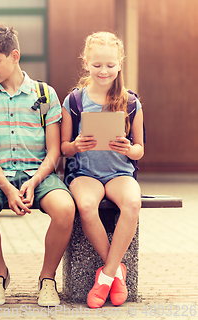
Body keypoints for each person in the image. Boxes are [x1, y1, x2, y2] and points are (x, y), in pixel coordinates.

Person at [0, 22, 76, 307]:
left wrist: (33, 181)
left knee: (65, 209)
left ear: (14, 56)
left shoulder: (44, 95)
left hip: (38, 173)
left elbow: (54, 152)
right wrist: (8, 189)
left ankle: (47, 279)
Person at [60, 31, 144, 309]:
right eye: (97, 65)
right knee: (85, 205)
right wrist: (77, 145)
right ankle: (117, 272)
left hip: (120, 172)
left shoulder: (131, 102)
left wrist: (127, 148)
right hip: (85, 174)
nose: (103, 71)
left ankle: (106, 274)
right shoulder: (74, 101)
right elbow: (63, 148)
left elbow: (140, 149)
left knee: (132, 203)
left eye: (110, 65)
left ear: (120, 64)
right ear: (86, 63)